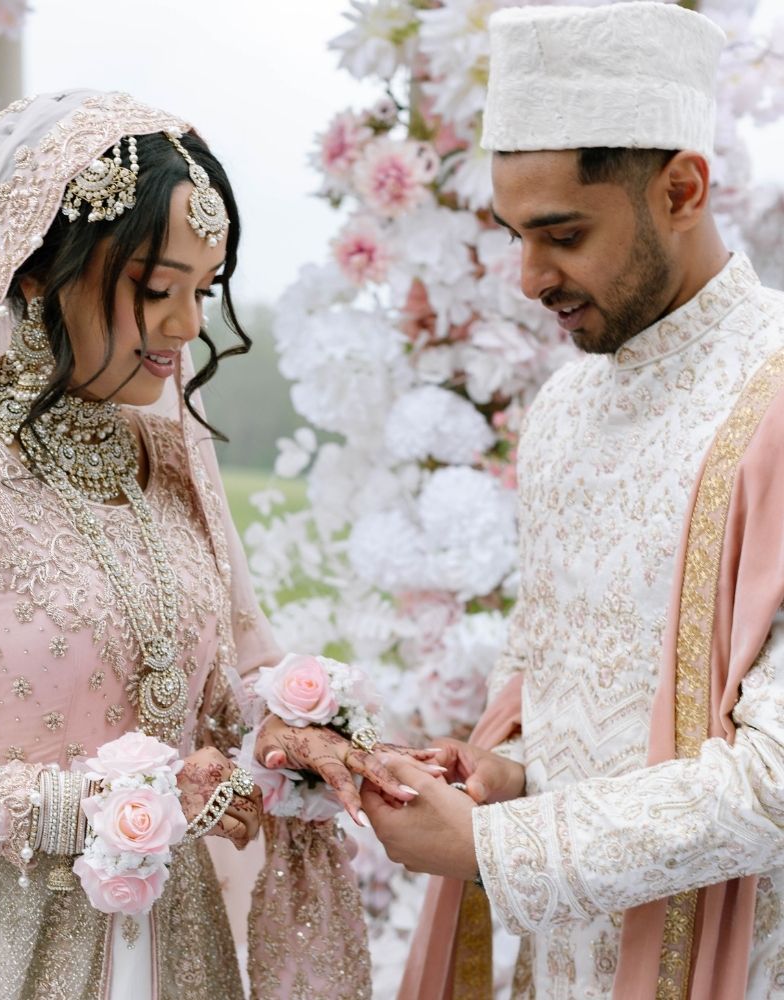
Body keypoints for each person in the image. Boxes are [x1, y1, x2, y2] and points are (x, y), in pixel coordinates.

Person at [0, 90, 413, 999]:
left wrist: (286, 731)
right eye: (158, 289)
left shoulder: (168, 456)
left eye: (202, 290)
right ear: (36, 269)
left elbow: (225, 676)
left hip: (176, 955)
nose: (187, 326)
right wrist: (94, 809)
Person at [361, 4, 784, 998]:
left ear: (682, 187)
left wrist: (495, 850)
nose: (527, 276)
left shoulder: (775, 393)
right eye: (515, 234)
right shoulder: (562, 406)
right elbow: (548, 669)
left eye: (562, 234)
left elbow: (775, 779)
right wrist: (497, 771)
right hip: (559, 963)